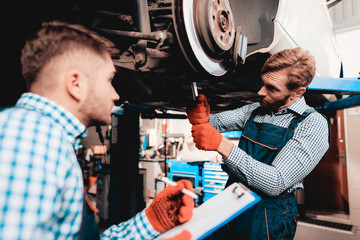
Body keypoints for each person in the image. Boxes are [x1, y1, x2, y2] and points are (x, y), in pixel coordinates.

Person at [0, 20, 194, 240]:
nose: (116, 95)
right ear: (76, 84)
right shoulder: (33, 139)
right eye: (109, 80)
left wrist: (150, 222)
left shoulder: (39, 135)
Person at [186, 47, 330, 240]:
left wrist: (223, 146)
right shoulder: (256, 110)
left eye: (272, 88)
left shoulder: (312, 124)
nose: (260, 92)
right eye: (262, 84)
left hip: (268, 213)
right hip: (233, 198)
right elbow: (216, 123)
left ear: (297, 93)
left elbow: (276, 181)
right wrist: (201, 116)